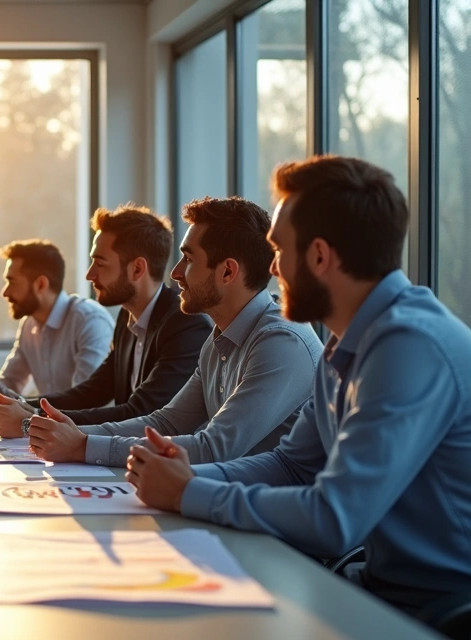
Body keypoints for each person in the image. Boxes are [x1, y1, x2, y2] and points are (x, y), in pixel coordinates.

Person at [126, 156, 471, 616]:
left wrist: (190, 492)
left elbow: (335, 518)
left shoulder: (409, 346)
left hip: (433, 613)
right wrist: (185, 477)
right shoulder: (345, 346)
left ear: (320, 257)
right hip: (373, 587)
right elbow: (291, 465)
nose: (271, 268)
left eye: (278, 250)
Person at [27, 196, 322, 465]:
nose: (175, 273)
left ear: (228, 272)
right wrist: (69, 432)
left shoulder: (281, 342)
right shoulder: (218, 338)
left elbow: (213, 448)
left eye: (189, 260)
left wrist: (83, 446)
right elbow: (167, 423)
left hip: (278, 514)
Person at [0, 205, 211, 437]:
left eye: (100, 263)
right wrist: (24, 404)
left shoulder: (185, 324)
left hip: (170, 465)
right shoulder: (128, 316)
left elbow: (141, 414)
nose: (89, 274)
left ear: (137, 269)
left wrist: (30, 419)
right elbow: (93, 391)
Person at [0, 239, 113, 403]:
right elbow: (11, 381)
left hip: (89, 428)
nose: (5, 292)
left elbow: (85, 399)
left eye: (12, 281)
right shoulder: (29, 324)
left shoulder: (90, 321)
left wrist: (26, 407)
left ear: (41, 284)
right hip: (52, 426)